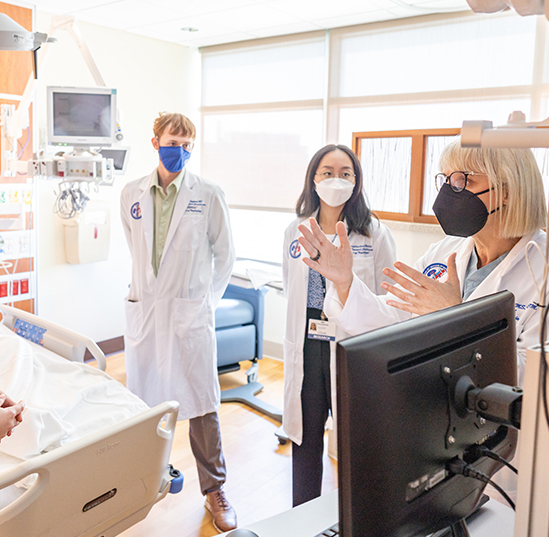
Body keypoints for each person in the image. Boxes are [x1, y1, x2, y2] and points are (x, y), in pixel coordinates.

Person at [297, 139, 547, 504]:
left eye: (463, 181)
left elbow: (534, 378)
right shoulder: (446, 251)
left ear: (506, 191)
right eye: (445, 179)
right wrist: (345, 282)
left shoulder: (542, 267)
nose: (450, 191)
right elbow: (394, 321)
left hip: (508, 462)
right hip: (437, 439)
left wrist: (455, 318)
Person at [120, 112, 236, 533]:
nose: (181, 150)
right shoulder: (131, 193)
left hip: (190, 314)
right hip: (147, 312)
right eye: (174, 141)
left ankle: (215, 490)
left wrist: (204, 303)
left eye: (188, 145)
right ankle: (146, 478)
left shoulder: (208, 194)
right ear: (155, 142)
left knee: (202, 405)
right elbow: (136, 248)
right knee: (145, 400)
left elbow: (226, 256)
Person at [282, 144, 396, 507]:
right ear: (313, 179)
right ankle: (302, 521)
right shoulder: (295, 230)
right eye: (327, 171)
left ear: (356, 181)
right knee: (306, 440)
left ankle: (358, 518)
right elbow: (292, 288)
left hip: (352, 346)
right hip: (306, 344)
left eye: (345, 173)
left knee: (355, 443)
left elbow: (387, 300)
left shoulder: (374, 233)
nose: (336, 179)